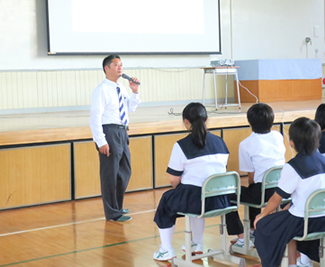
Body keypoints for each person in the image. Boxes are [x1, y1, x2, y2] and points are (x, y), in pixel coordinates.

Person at [254, 117, 325, 267]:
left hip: (304, 221)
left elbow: (276, 198)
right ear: (317, 139)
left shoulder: (292, 166)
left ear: (292, 142)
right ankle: (296, 263)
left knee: (264, 226)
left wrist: (262, 215)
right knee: (286, 217)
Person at [153, 102, 230, 261]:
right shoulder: (220, 142)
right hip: (221, 199)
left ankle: (166, 250)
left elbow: (173, 179)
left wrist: (182, 188)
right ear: (207, 120)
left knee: (167, 202)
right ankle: (197, 243)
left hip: (196, 199)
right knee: (196, 196)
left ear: (185, 122)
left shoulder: (181, 145)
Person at [226, 103, 286, 248]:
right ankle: (253, 229)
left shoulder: (246, 144)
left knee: (228, 194)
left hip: (263, 192)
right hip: (283, 190)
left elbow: (251, 176)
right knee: (254, 189)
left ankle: (241, 236)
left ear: (249, 122)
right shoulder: (278, 136)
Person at [89, 54, 141, 222]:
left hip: (122, 131)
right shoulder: (101, 90)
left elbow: (130, 109)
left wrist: (135, 92)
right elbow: (95, 117)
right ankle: (112, 212)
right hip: (109, 132)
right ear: (107, 68)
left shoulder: (121, 88)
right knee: (110, 174)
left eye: (121, 65)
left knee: (125, 170)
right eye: (116, 65)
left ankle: (117, 205)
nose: (120, 68)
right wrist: (101, 141)